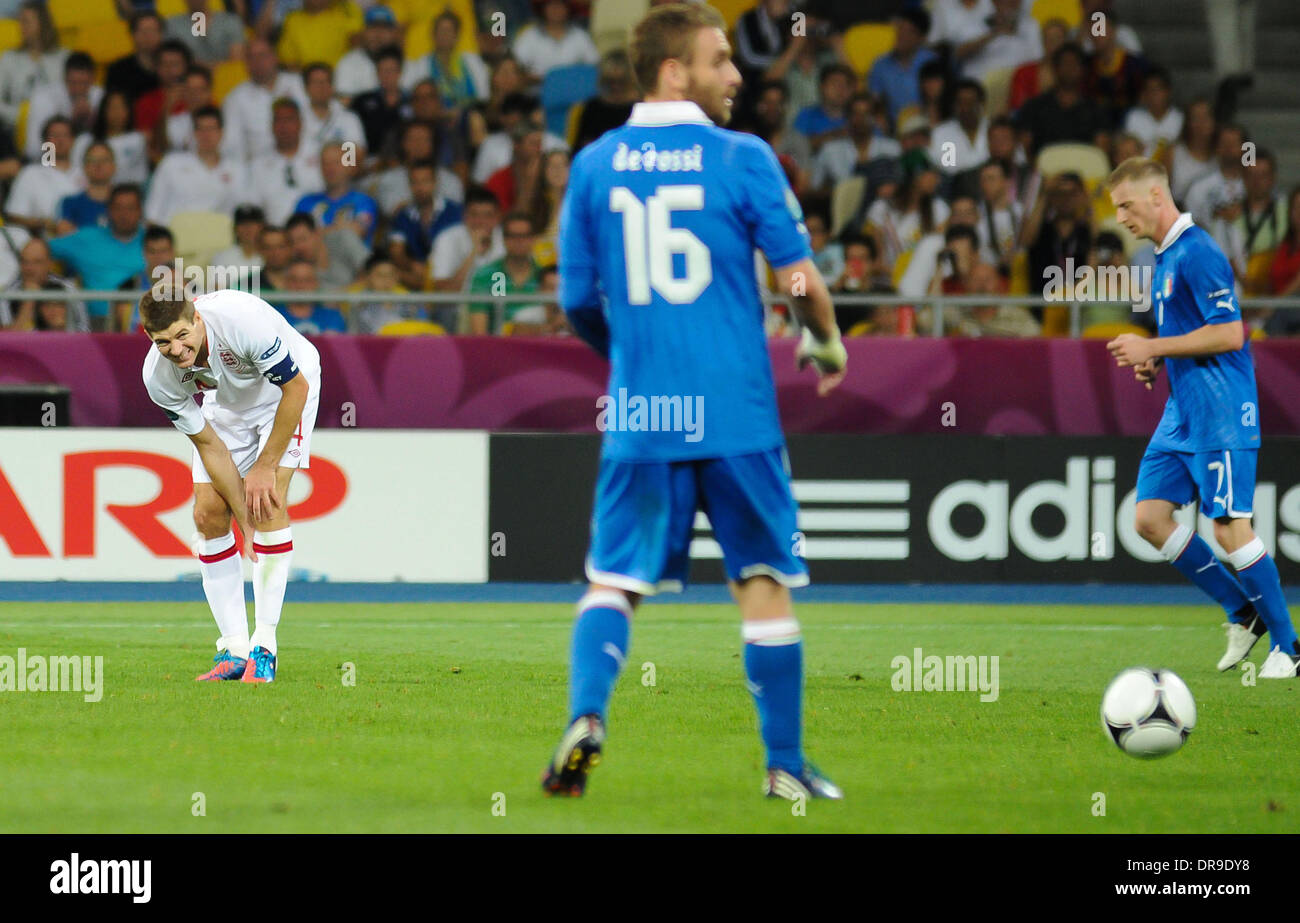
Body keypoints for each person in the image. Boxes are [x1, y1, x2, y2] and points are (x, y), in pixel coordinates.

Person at [546, 3, 846, 802]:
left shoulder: (593, 165)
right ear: (675, 72)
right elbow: (800, 280)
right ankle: (784, 765)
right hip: (737, 414)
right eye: (721, 60)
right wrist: (824, 340)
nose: (738, 74)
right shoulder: (743, 156)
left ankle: (586, 715)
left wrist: (633, 356)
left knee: (614, 580)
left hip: (643, 413)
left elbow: (576, 298)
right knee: (763, 582)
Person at [1105, 157, 1299, 678]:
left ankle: (1290, 647)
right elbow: (1188, 335)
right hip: (1183, 412)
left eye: (1125, 205)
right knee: (1148, 518)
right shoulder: (1164, 258)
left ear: (1156, 196)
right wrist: (1157, 359)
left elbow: (1230, 333)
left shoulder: (1198, 251)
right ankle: (1242, 612)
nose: (1121, 218)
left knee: (1230, 527)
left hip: (1221, 412)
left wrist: (1153, 345)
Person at [139, 286, 322, 683]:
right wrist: (241, 517)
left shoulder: (241, 322)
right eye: (163, 342)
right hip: (228, 405)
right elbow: (210, 445)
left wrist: (265, 466)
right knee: (207, 514)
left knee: (267, 501)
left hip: (286, 391)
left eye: (182, 335)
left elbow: (296, 389)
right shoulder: (158, 377)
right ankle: (235, 649)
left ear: (197, 319)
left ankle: (265, 648)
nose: (176, 349)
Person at [0, 237, 87, 331]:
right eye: (25, 262)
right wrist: (29, 301)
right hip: (25, 345)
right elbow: (8, 339)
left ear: (49, 264)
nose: (29, 268)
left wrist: (60, 328)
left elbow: (84, 329)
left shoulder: (68, 288)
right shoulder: (8, 295)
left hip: (63, 344)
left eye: (37, 262)